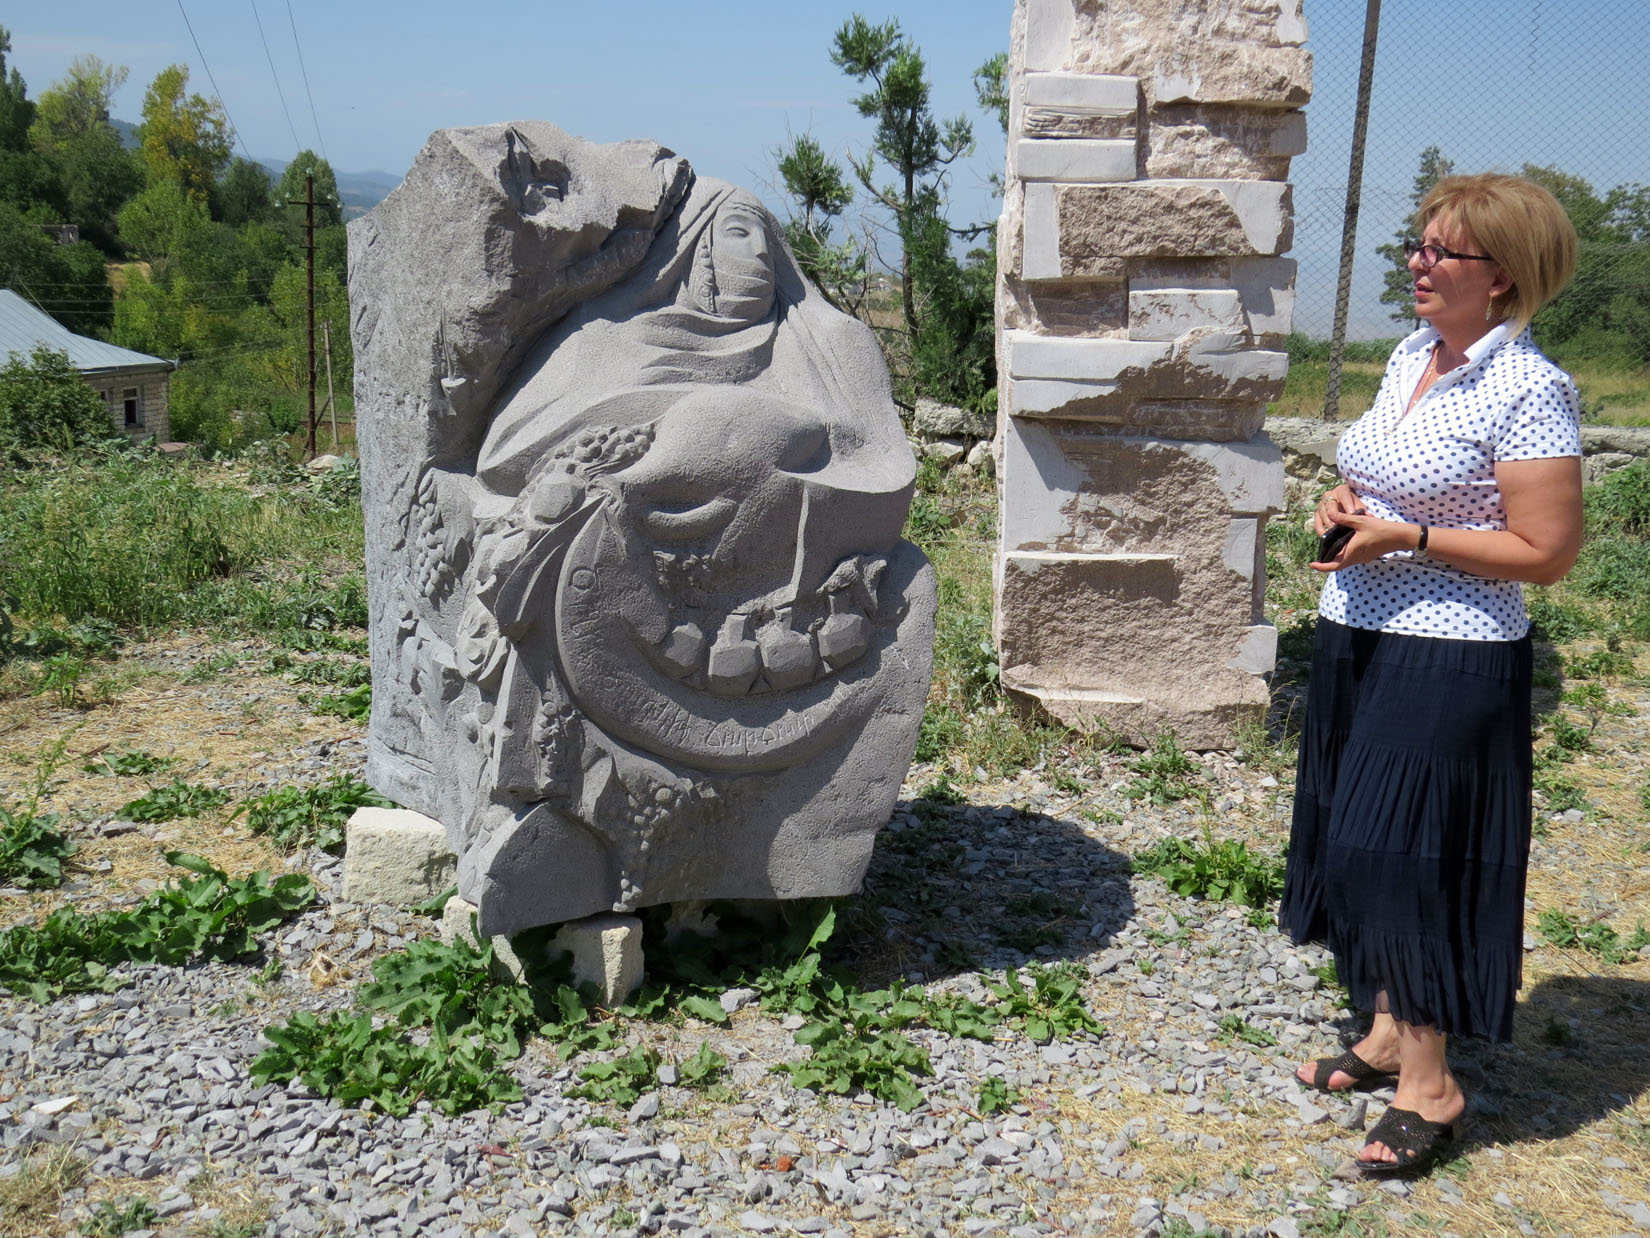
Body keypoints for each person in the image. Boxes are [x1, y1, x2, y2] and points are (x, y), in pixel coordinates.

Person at [1277, 172, 1583, 1176]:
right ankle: (1382, 1030)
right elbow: (1381, 470)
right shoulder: (1413, 355)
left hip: (1453, 645)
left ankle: (1431, 1085)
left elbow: (1546, 550)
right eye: (1419, 243)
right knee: (1346, 831)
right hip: (1358, 625)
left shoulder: (1529, 387)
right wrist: (1344, 499)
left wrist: (1407, 536)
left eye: (1443, 251)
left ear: (1502, 276)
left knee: (1399, 851)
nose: (1418, 261)